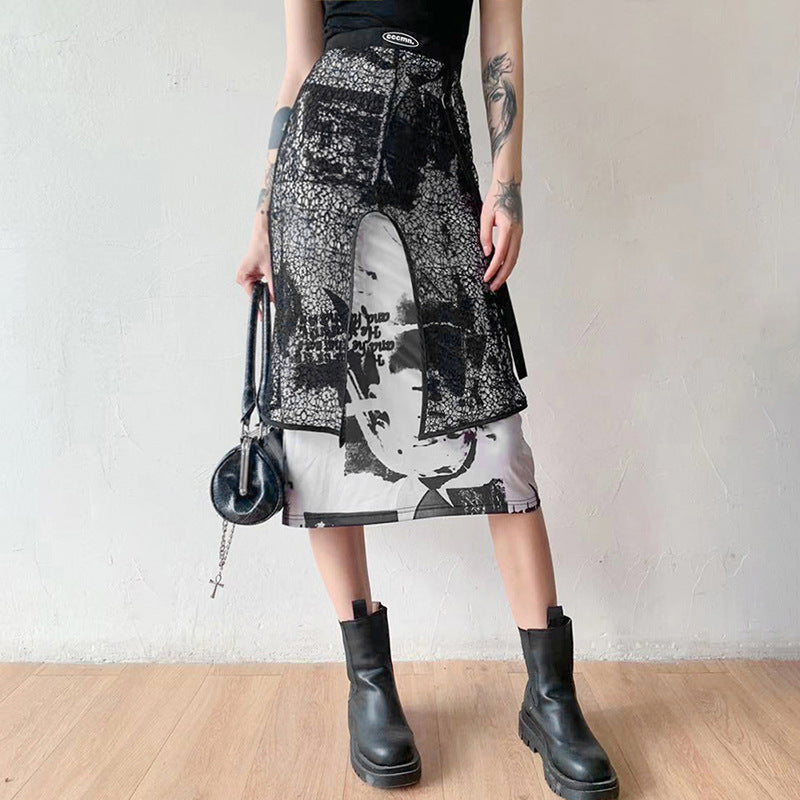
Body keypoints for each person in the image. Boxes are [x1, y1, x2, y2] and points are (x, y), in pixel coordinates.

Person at [234, 2, 619, 798]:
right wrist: (264, 216)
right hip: (318, 173)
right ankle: (370, 687)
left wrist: (507, 186)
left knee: (495, 439)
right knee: (320, 434)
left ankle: (549, 696)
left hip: (435, 159)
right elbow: (300, 64)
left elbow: (500, 42)